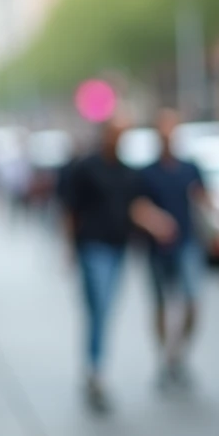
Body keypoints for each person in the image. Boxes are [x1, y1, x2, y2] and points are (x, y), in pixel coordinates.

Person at [61, 114, 176, 413]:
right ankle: (96, 371)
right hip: (92, 246)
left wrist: (157, 223)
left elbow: (136, 207)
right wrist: (69, 247)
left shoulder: (128, 173)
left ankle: (95, 366)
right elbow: (70, 209)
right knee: (99, 307)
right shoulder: (86, 168)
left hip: (118, 248)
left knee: (105, 309)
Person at [140, 109, 211, 388]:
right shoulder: (147, 173)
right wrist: (154, 221)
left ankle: (178, 354)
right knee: (160, 305)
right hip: (157, 249)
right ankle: (164, 358)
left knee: (192, 301)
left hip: (188, 244)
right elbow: (137, 206)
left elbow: (204, 200)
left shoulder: (190, 168)